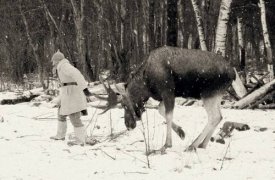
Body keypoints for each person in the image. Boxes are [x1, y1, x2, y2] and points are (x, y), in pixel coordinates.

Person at [49, 50, 92, 146]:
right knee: (61, 113)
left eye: (54, 61)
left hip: (72, 94)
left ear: (57, 60)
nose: (53, 63)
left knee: (74, 117)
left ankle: (80, 140)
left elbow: (78, 75)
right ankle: (60, 135)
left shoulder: (65, 66)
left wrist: (84, 88)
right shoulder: (60, 67)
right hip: (66, 93)